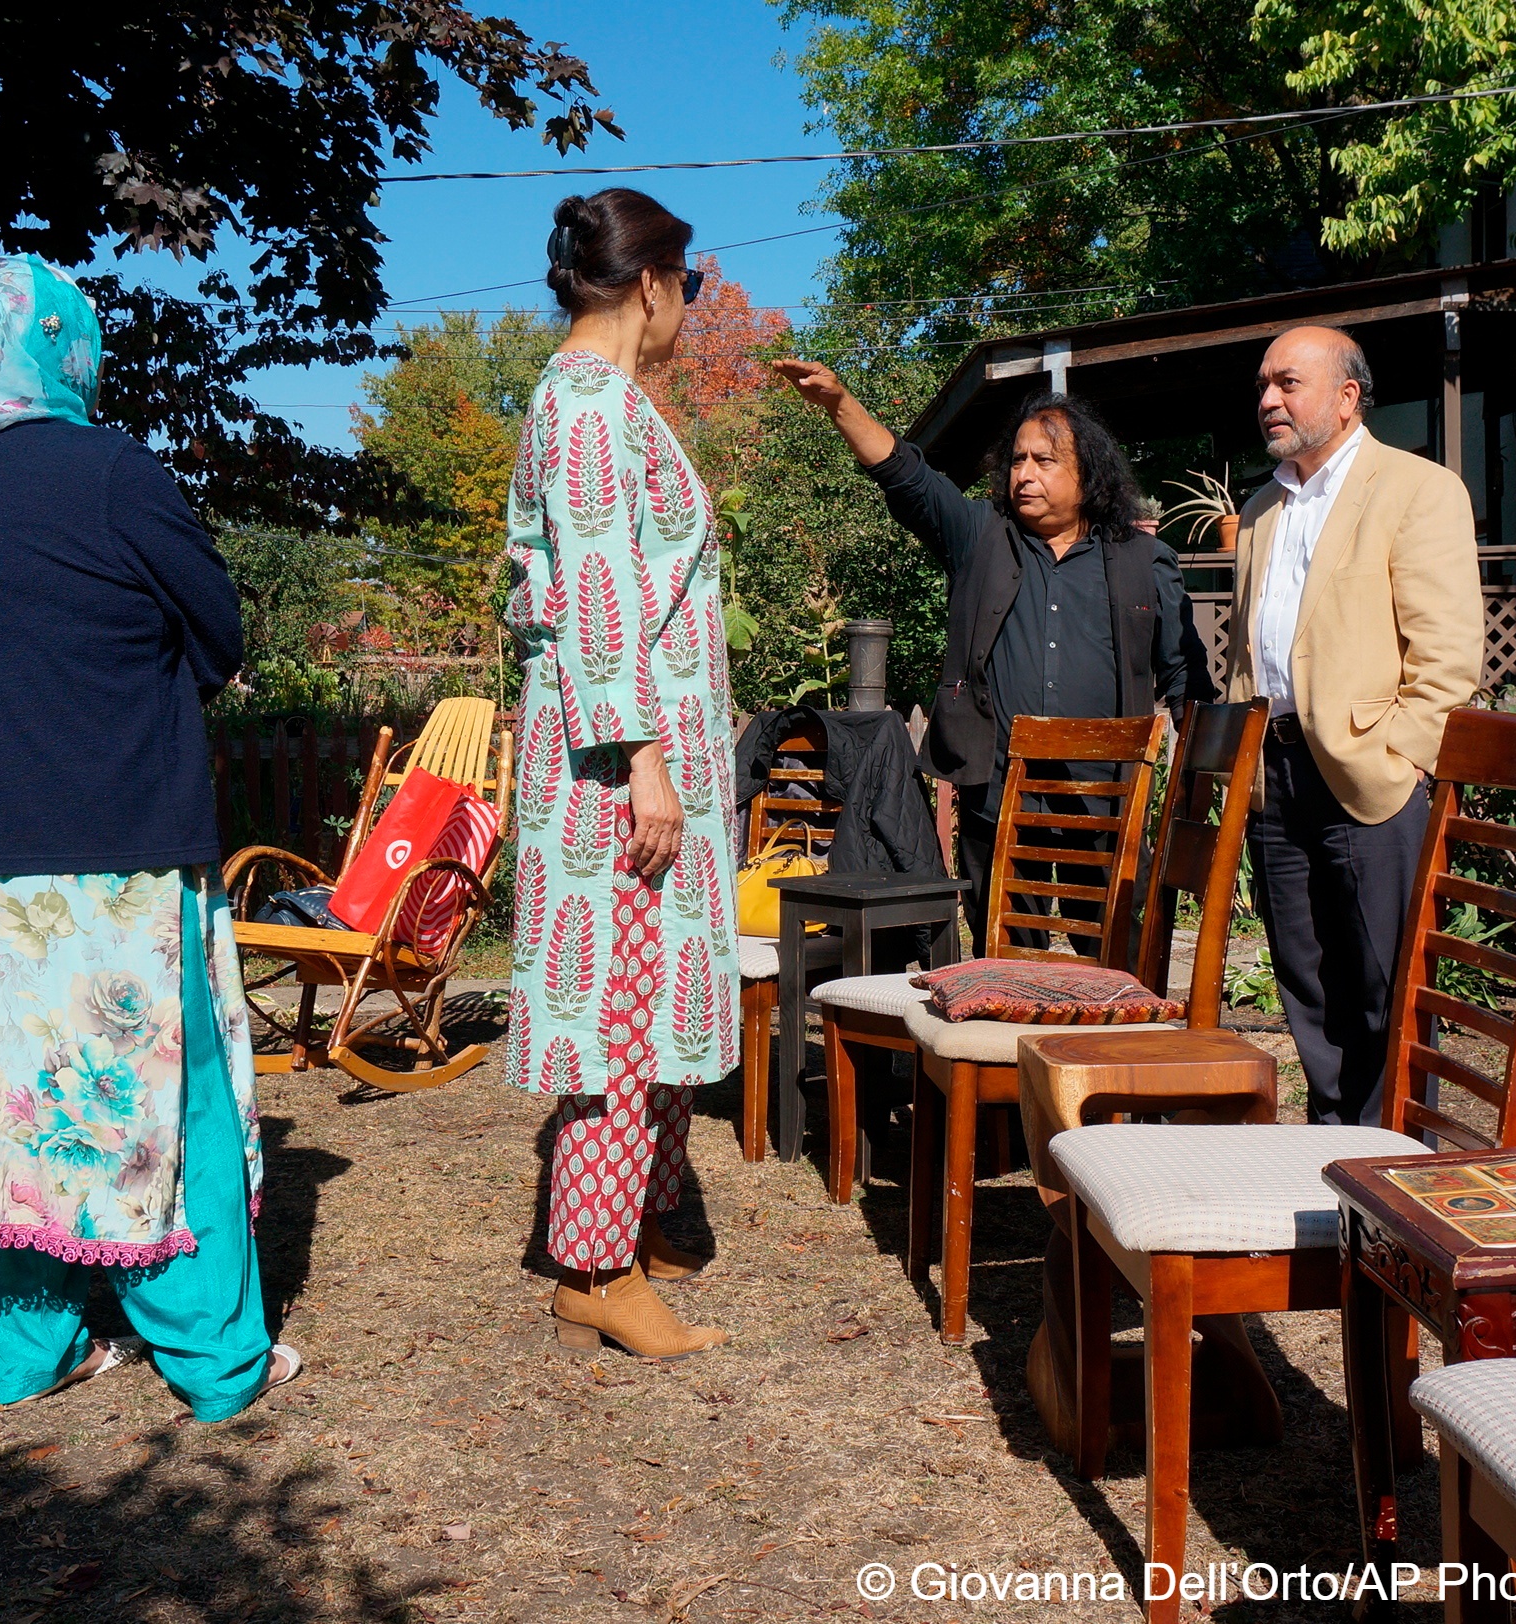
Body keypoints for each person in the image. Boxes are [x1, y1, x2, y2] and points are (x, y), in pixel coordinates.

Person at [0, 253, 297, 1418]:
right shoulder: (115, 471)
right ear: (67, 348)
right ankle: (213, 1364)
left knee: (0, 1107)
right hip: (113, 850)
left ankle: (30, 1353)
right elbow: (218, 630)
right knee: (165, 1096)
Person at [505, 190, 739, 1361]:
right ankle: (595, 1269)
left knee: (644, 1011)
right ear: (651, 282)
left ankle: (629, 1229)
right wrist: (647, 760)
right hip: (617, 764)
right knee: (619, 1018)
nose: (688, 310)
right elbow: (598, 600)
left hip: (633, 751)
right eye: (688, 286)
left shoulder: (598, 402)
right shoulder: (591, 404)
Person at [771, 362, 1212, 946]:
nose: (1024, 474)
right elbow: (908, 476)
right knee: (1004, 957)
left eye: (1045, 461)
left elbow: (1186, 674)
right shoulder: (980, 534)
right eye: (1018, 460)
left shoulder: (1142, 560)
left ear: (1089, 475)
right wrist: (841, 404)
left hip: (1105, 795)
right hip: (998, 792)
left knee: (1115, 958)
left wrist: (1203, 786)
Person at [1226, 325, 1481, 1125]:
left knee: (1385, 985)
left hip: (1372, 775)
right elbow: (1247, 649)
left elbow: (1446, 657)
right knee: (1305, 979)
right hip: (1277, 773)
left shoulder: (1417, 489)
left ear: (1347, 397)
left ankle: (1394, 1172)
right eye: (1264, 384)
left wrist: (1404, 758)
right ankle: (1331, 1152)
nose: (1268, 398)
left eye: (1288, 382)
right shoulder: (1264, 508)